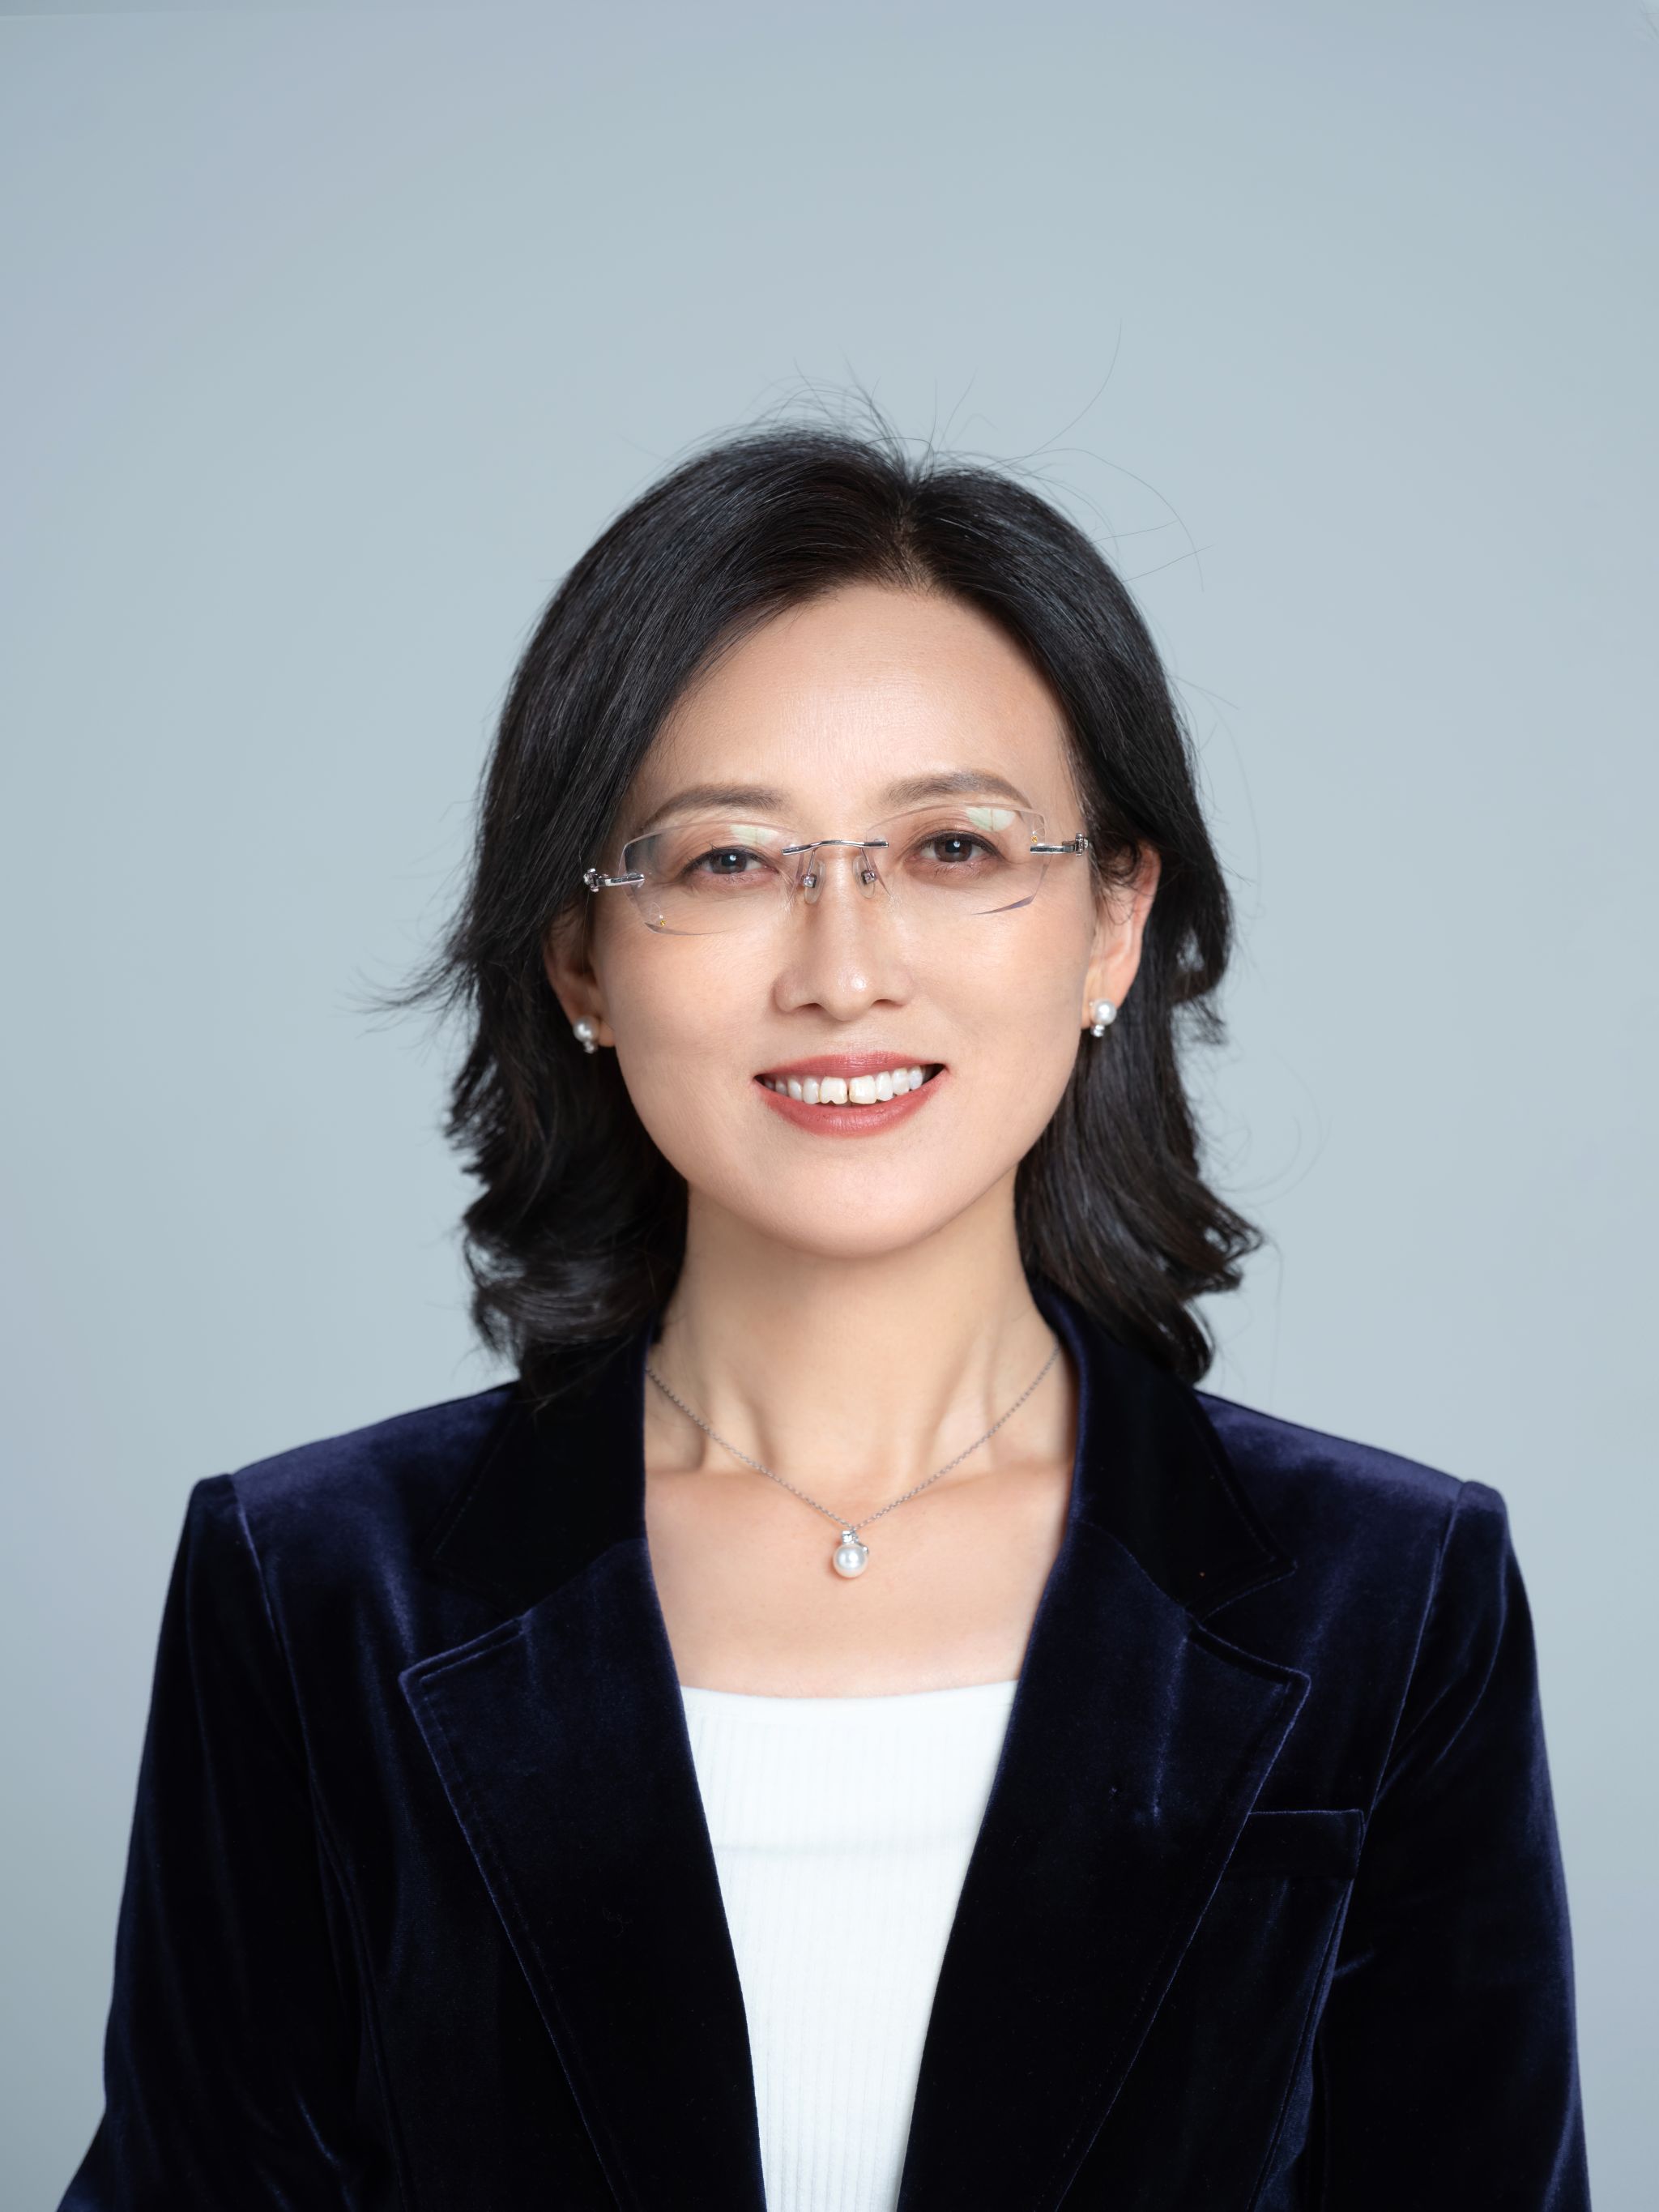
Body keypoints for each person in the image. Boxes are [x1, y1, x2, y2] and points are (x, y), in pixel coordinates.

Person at [60, 422, 1591, 2211]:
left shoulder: (1389, 1598)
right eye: (728, 861)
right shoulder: (313, 1588)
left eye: (951, 845)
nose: (844, 970)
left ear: (1112, 921)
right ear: (582, 960)